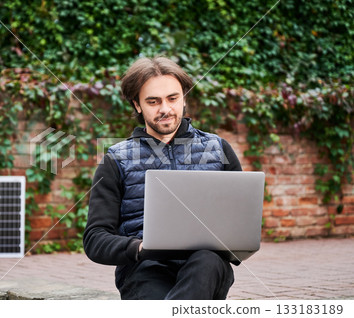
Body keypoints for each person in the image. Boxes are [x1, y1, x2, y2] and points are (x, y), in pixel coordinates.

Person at [83, 56, 242, 300]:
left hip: (206, 265)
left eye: (173, 98)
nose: (165, 109)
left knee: (207, 261)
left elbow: (239, 226)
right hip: (144, 269)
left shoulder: (218, 148)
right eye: (153, 101)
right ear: (137, 105)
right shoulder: (116, 159)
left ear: (184, 97)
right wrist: (139, 248)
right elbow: (95, 239)